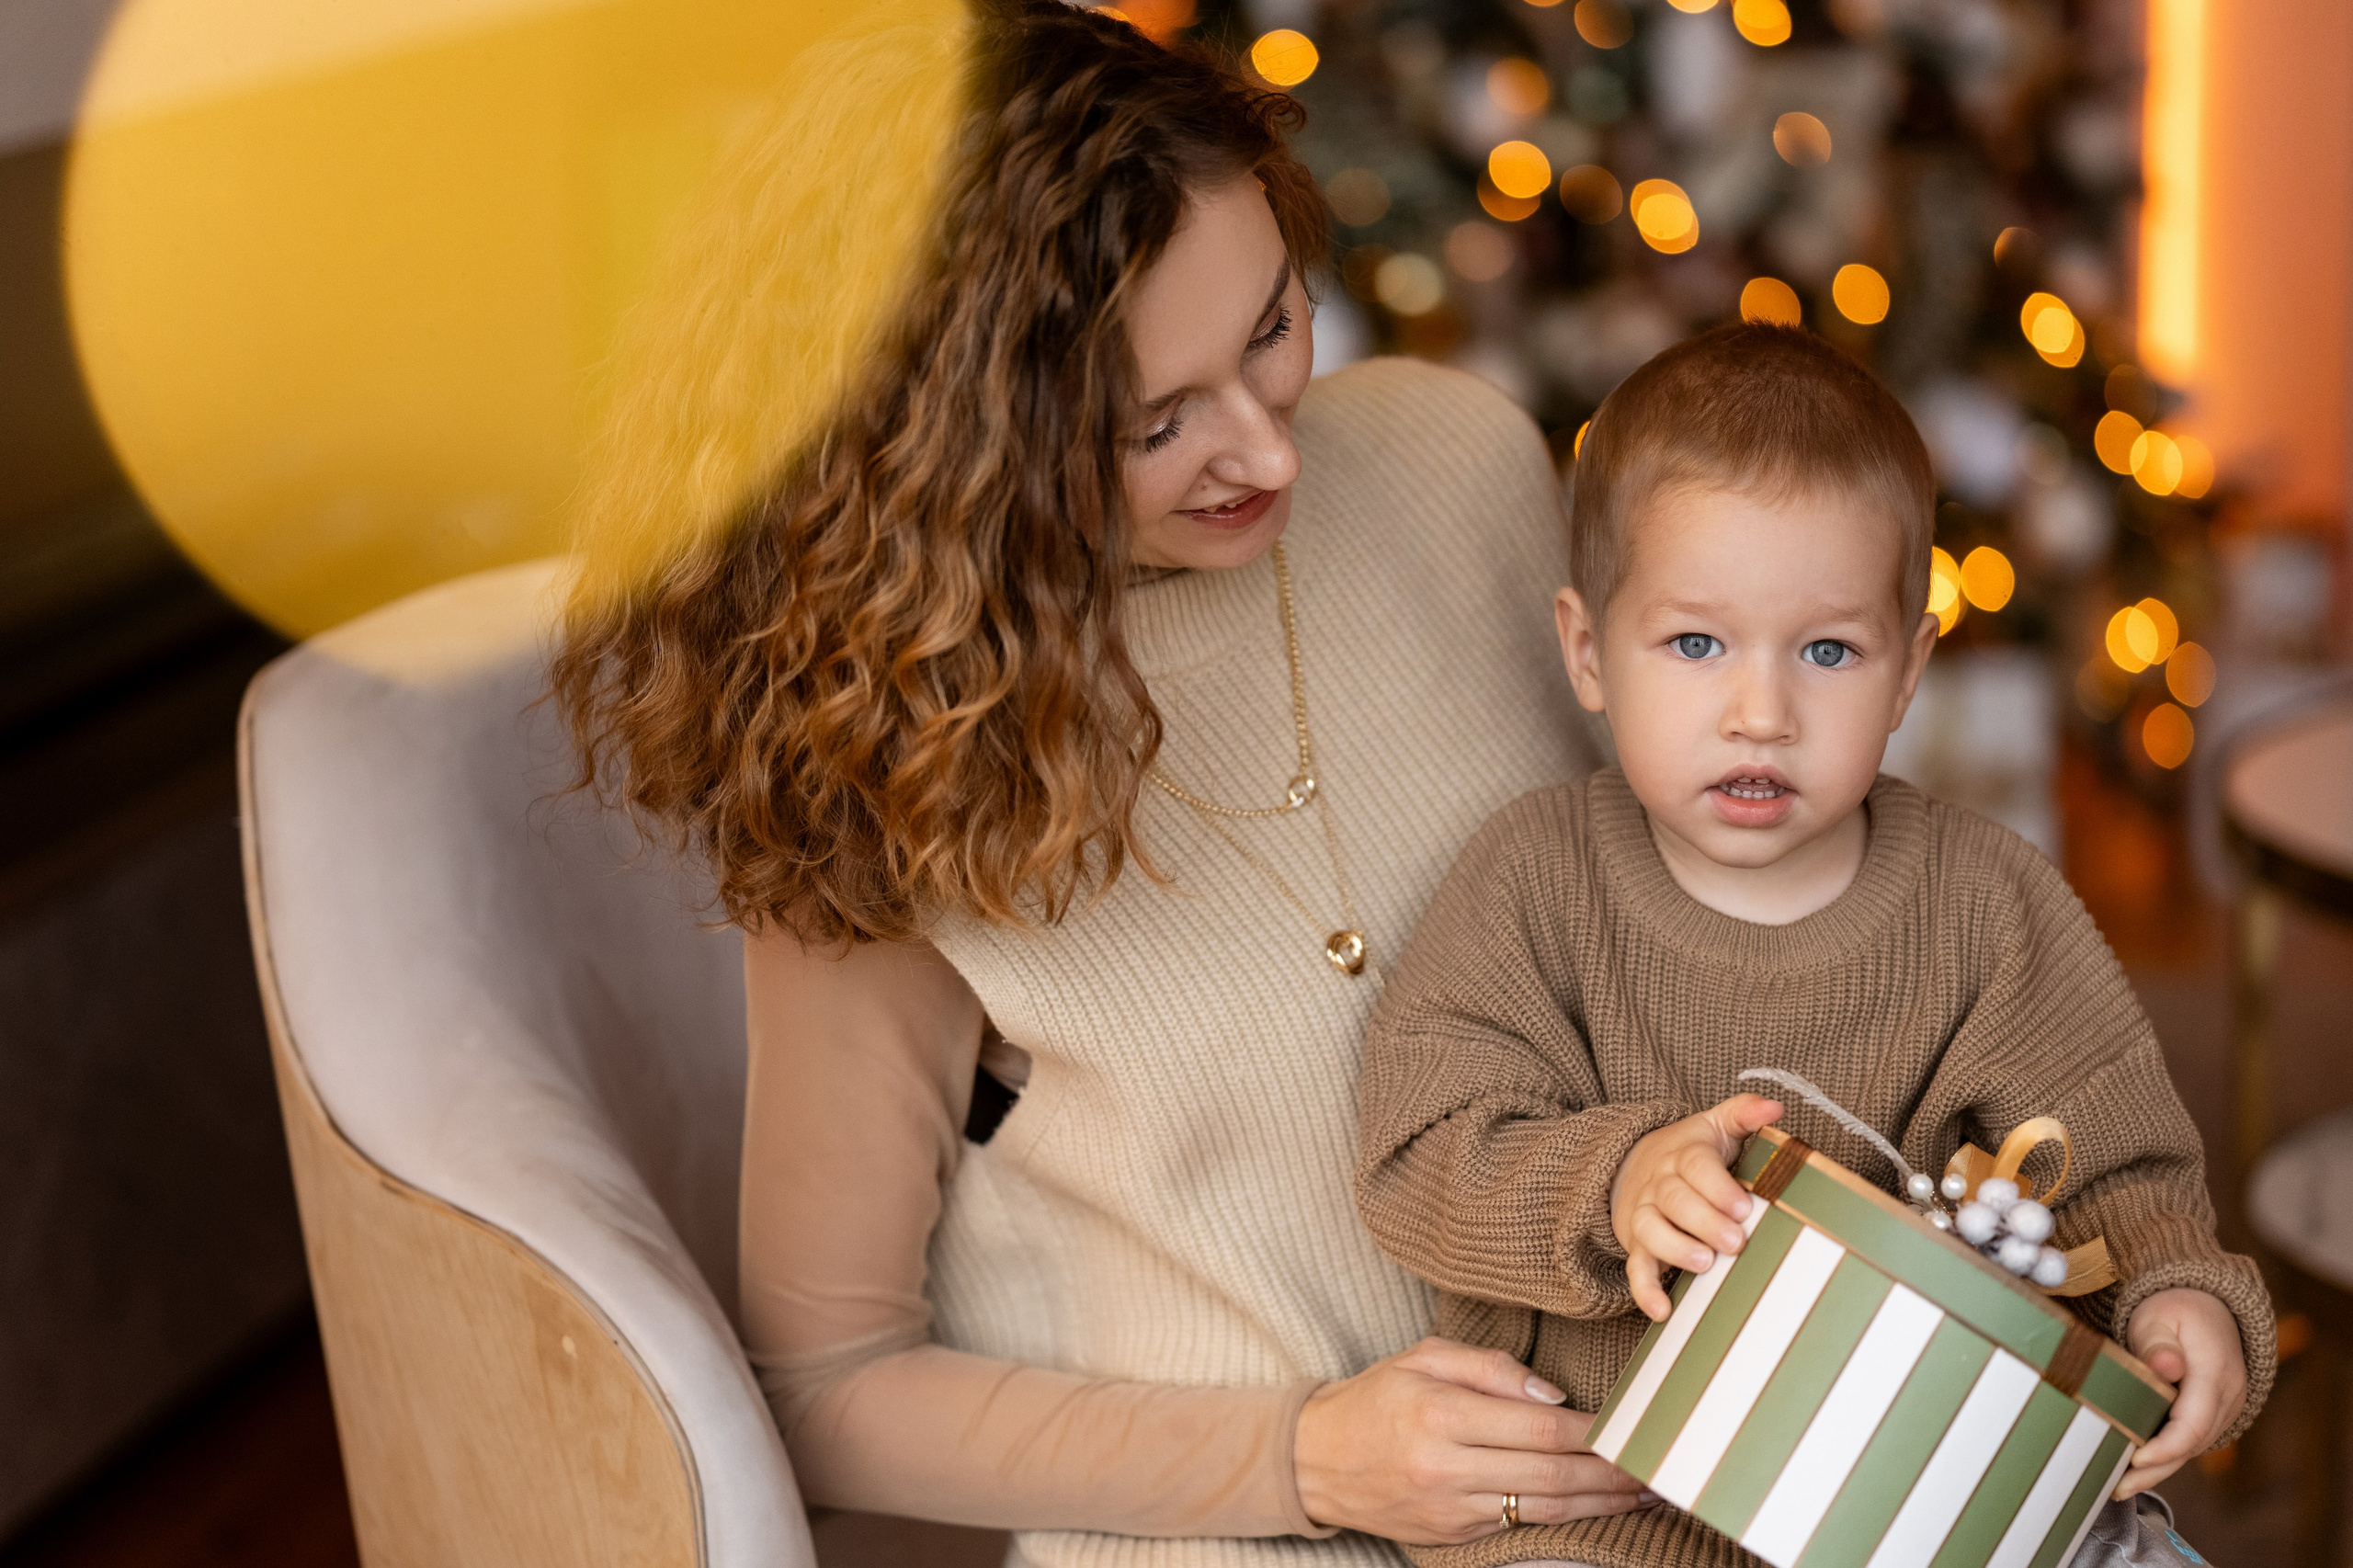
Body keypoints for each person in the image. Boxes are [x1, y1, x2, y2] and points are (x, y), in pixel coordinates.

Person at [553, 4, 1653, 1563]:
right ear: (947, 453)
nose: (1269, 454)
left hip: (1642, 1483)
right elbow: (827, 1389)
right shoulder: (889, 768)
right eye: (1153, 423)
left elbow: (1692, 922)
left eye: (1272, 328)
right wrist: (1306, 1461)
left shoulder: (1460, 467)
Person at [1353, 324, 2275, 1568]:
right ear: (1586, 651)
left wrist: (2179, 1300)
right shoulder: (1533, 880)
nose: (1762, 711)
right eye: (1695, 643)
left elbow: (2124, 1174)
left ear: (1908, 676)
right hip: (1600, 1520)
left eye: (1829, 651)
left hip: (1934, 1500)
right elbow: (1422, 1149)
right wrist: (1617, 1182)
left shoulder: (1989, 901)